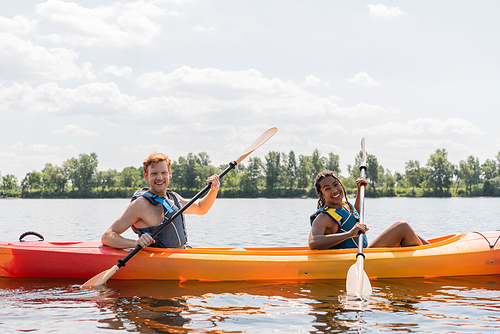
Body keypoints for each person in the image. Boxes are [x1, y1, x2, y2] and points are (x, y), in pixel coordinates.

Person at [101, 152, 220, 249]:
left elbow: (200, 208)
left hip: (182, 255)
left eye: (164, 173)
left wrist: (213, 190)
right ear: (146, 176)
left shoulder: (174, 198)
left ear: (170, 174)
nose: (159, 177)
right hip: (159, 263)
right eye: (154, 174)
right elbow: (108, 236)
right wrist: (135, 243)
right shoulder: (140, 205)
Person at [308, 170, 429, 250]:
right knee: (402, 227)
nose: (334, 190)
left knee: (411, 232)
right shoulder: (324, 217)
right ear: (321, 194)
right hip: (355, 260)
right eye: (327, 189)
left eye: (336, 184)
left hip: (364, 253)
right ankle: (430, 256)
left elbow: (353, 217)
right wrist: (350, 234)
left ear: (341, 184)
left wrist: (360, 190)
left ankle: (433, 250)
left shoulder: (344, 206)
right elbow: (313, 242)